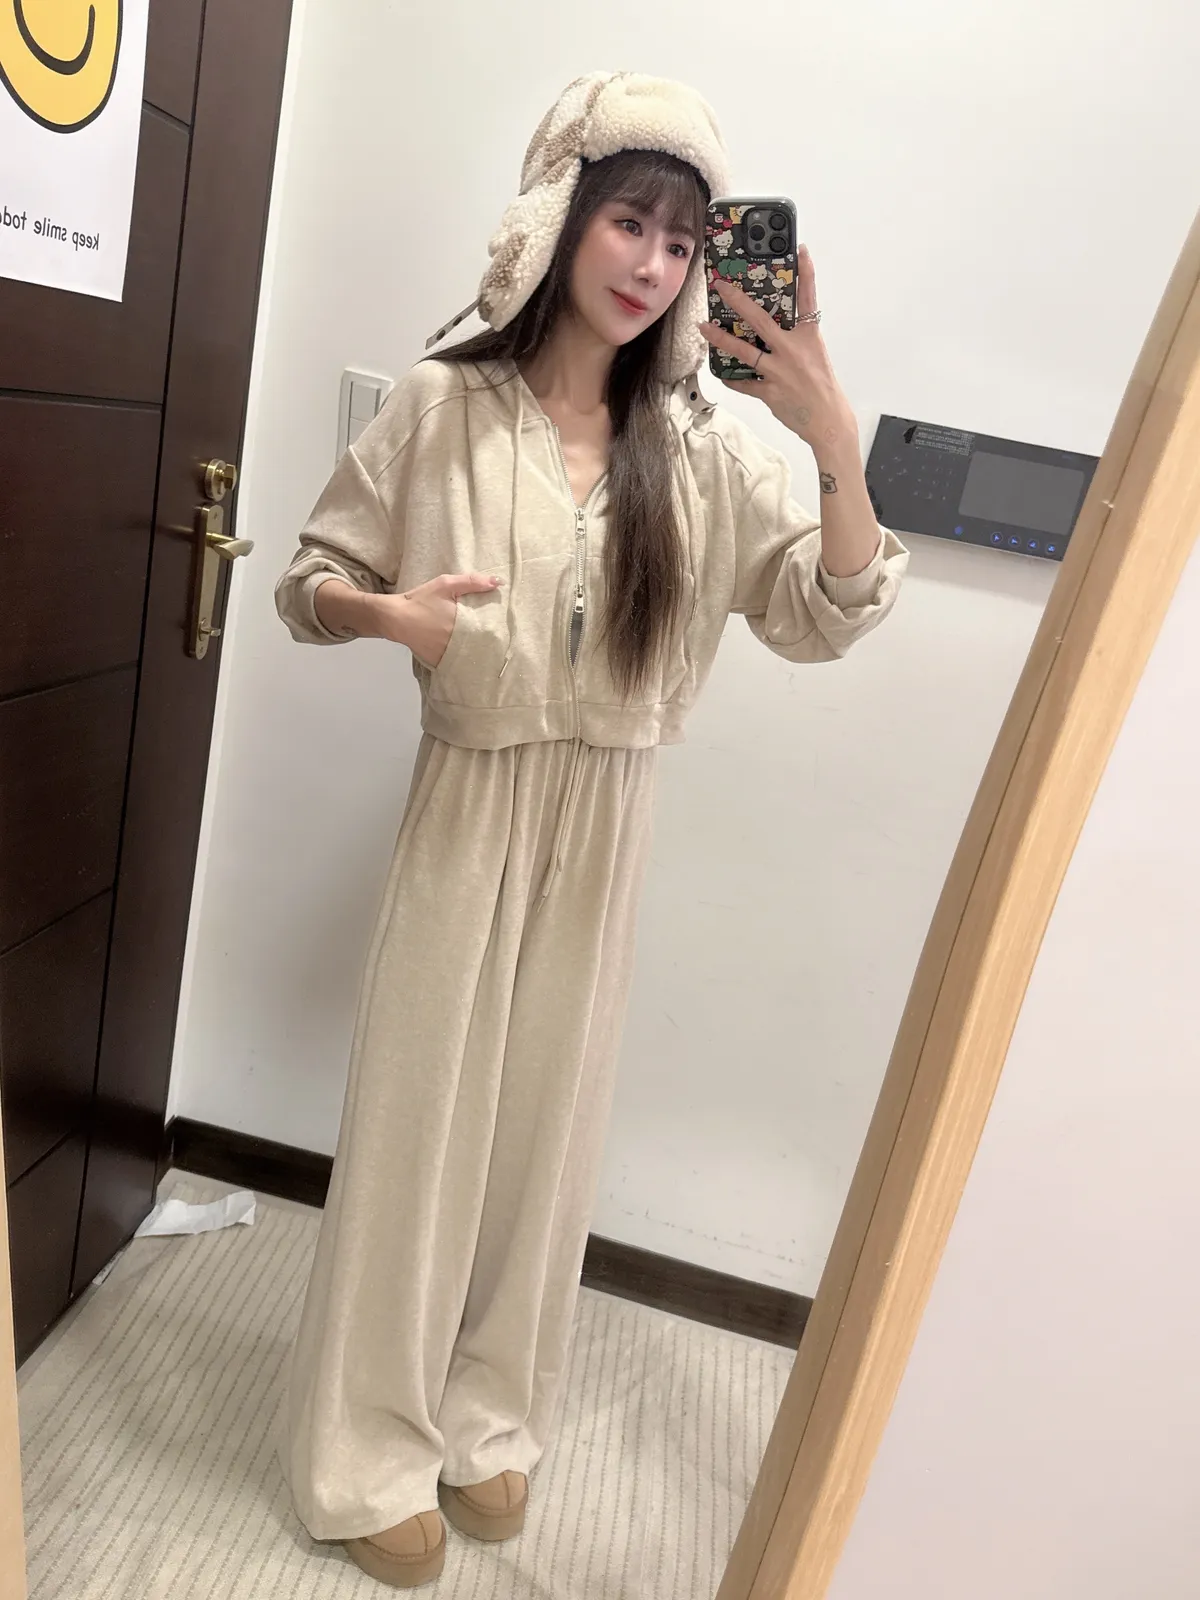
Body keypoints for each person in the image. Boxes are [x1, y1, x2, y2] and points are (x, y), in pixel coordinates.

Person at [272, 70, 908, 1590]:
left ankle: (487, 1421)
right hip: (469, 803)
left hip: (610, 816)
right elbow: (307, 580)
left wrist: (833, 440)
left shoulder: (708, 448)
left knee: (542, 1150)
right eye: (631, 221)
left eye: (684, 242)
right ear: (563, 214)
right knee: (418, 1136)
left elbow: (825, 614)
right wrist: (389, 615)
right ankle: (366, 1448)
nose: (654, 265)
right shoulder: (441, 407)